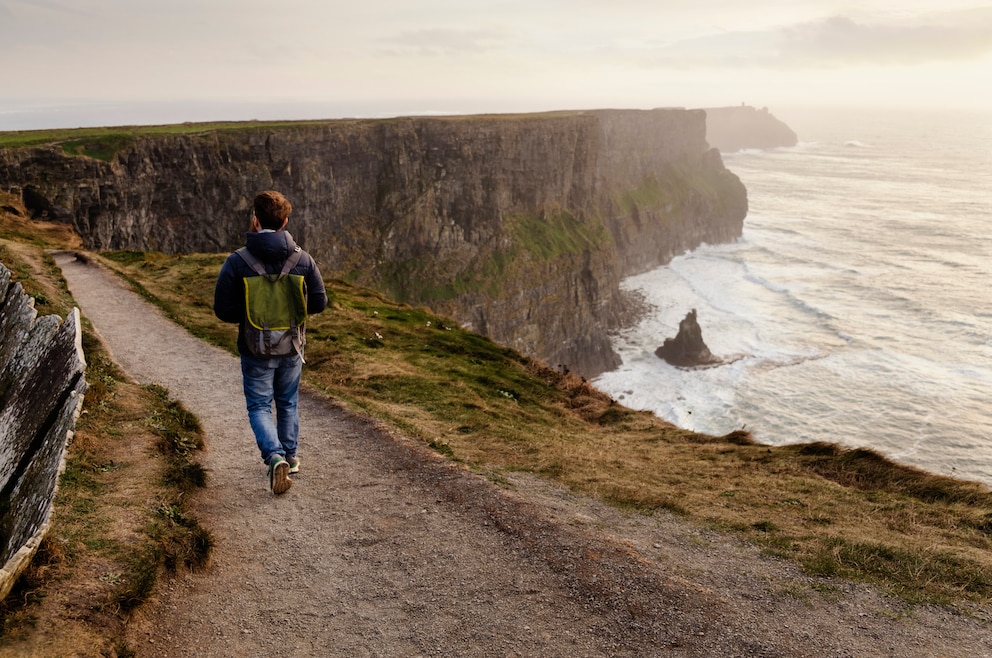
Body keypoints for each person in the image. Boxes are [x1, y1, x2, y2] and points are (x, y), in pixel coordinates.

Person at [213, 190, 327, 494]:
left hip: (255, 348)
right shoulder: (303, 259)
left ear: (255, 220)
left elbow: (222, 310)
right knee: (287, 401)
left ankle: (274, 456)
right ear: (285, 221)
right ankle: (290, 455)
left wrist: (253, 315)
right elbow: (318, 302)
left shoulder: (238, 262)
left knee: (260, 406)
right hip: (291, 345)